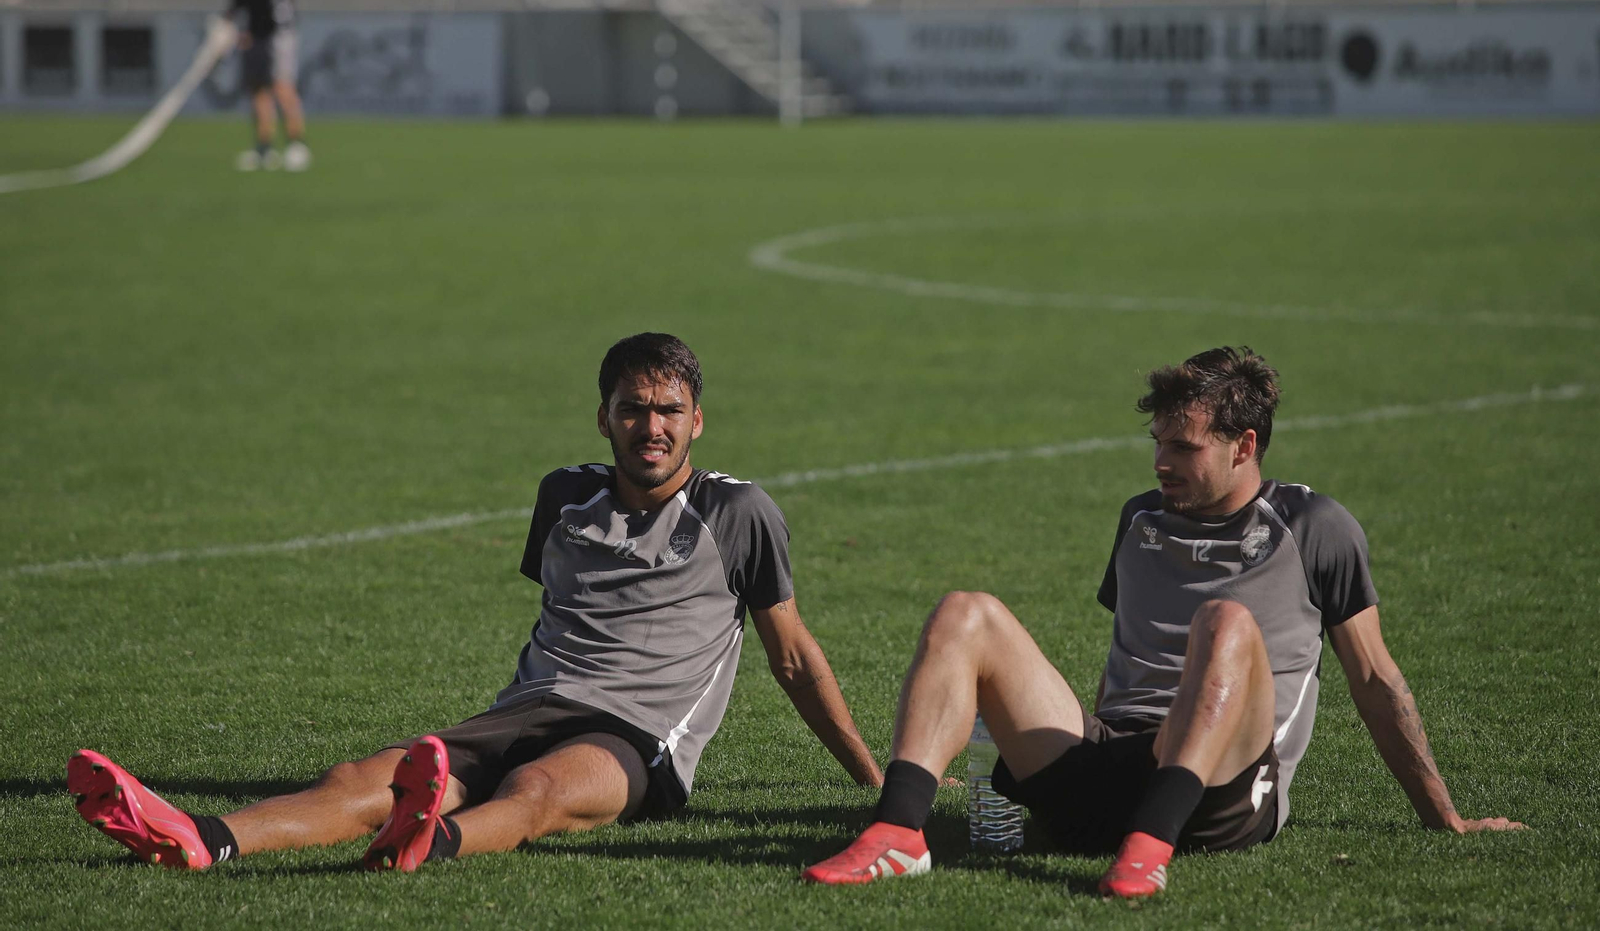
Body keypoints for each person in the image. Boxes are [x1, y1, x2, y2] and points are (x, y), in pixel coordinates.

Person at [69, 333, 882, 871]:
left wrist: (873, 777)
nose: (650, 426)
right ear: (603, 417)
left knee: (538, 791)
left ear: (697, 421)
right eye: (632, 408)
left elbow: (793, 657)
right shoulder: (562, 495)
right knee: (362, 776)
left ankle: (430, 840)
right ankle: (201, 836)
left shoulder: (737, 512)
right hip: (528, 704)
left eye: (668, 409)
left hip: (639, 735)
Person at [802, 346, 1524, 898]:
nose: (1160, 462)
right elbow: (1126, 659)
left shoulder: (1315, 525)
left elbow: (1374, 679)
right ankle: (898, 831)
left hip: (1225, 794)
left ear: (1244, 446)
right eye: (1157, 442)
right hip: (1112, 761)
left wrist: (1444, 816)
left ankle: (1149, 847)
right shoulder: (1140, 518)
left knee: (1225, 621)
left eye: (1184, 448)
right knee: (967, 612)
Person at [227, 0, 310, 172]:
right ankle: (264, 148)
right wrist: (231, 22)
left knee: (282, 86)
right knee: (259, 88)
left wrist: (251, 29)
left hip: (278, 33)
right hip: (255, 32)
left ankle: (297, 144)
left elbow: (272, 2)